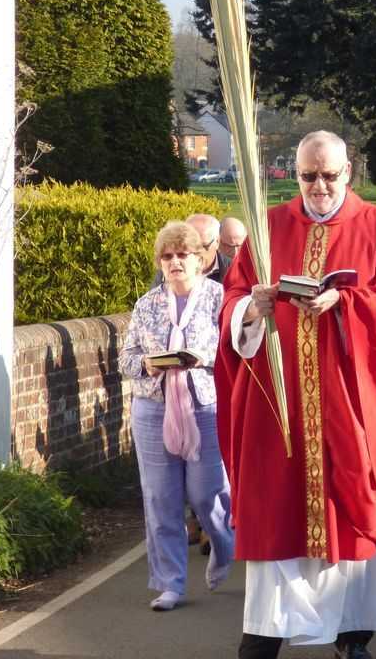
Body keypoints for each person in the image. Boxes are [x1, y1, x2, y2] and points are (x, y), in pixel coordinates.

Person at [214, 131, 376, 659]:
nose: (318, 185)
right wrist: (252, 308)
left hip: (350, 408)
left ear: (348, 173)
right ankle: (263, 634)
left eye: (329, 175)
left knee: (353, 510)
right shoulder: (267, 228)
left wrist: (347, 301)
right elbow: (234, 296)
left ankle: (351, 635)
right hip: (280, 408)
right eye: (308, 175)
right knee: (277, 512)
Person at [119, 221, 234, 612]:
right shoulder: (146, 304)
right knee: (160, 498)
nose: (174, 262)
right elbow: (126, 359)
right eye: (167, 257)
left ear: (199, 259)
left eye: (182, 254)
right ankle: (170, 583)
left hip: (205, 406)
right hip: (153, 407)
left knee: (207, 494)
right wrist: (148, 365)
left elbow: (239, 351)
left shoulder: (220, 298)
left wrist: (204, 359)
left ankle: (223, 542)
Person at [153, 213, 231, 286]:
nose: (196, 253)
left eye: (203, 246)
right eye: (189, 247)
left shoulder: (234, 272)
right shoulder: (168, 271)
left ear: (217, 242)